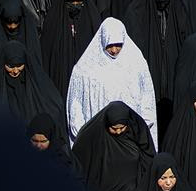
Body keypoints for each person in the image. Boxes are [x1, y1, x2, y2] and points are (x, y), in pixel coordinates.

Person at [67, 17, 157, 147]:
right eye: (110, 45)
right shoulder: (84, 69)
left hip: (129, 138)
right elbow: (75, 104)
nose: (114, 50)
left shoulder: (137, 64)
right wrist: (84, 133)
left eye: (119, 45)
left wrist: (141, 125)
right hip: (98, 140)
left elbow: (147, 97)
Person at [72, 101, 156, 191]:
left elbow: (148, 158)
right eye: (113, 128)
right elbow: (80, 161)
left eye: (122, 127)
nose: (118, 132)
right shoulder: (93, 135)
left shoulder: (137, 130)